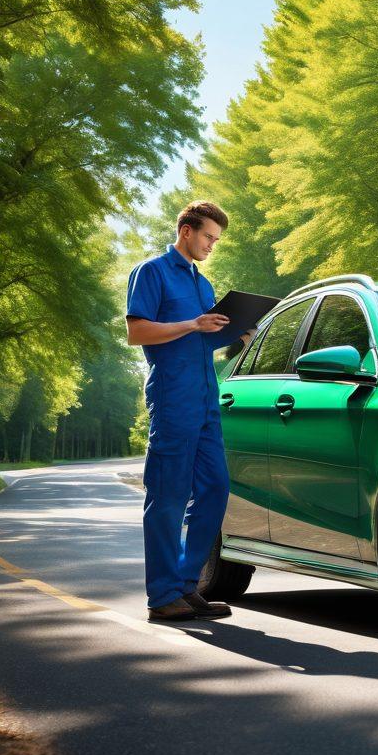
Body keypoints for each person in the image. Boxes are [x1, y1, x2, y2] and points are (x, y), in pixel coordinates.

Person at [125, 201, 254, 622]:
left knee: (215, 489)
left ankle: (185, 585)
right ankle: (162, 596)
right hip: (173, 398)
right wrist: (194, 324)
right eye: (208, 237)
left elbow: (201, 340)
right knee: (168, 496)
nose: (212, 245)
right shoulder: (152, 272)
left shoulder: (202, 283)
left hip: (205, 400)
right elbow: (136, 331)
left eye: (216, 239)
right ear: (186, 231)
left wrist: (236, 335)